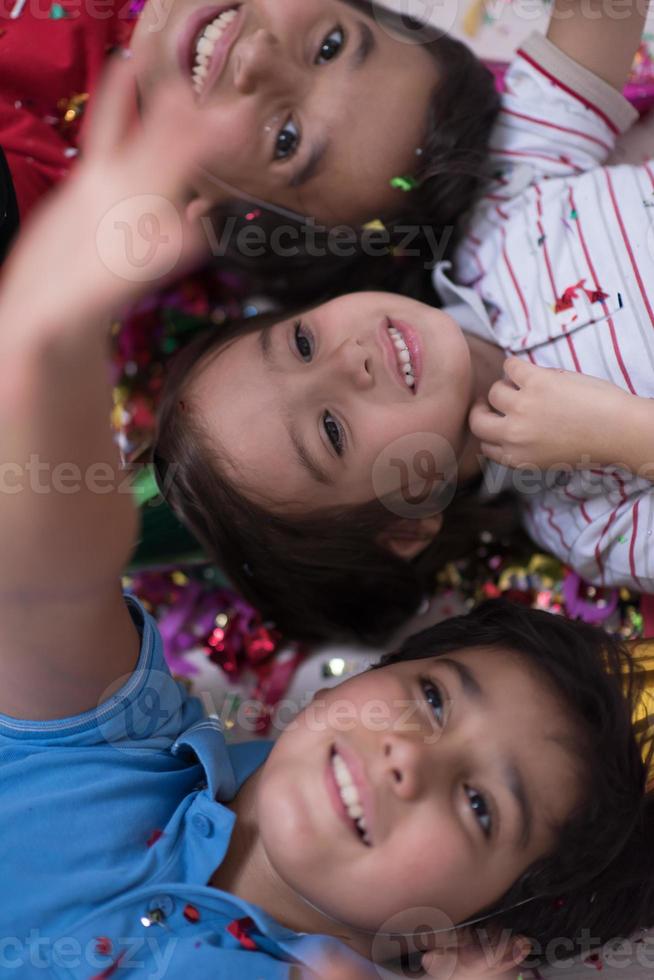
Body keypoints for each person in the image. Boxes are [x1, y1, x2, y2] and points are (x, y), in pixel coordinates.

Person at [1, 53, 653, 980]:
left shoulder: (117, 759)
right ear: (463, 942)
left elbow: (43, 567)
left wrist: (55, 326)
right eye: (477, 804)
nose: (406, 760)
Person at [152, 0, 654, 645]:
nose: (348, 362)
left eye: (302, 342)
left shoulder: (497, 212)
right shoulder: (584, 524)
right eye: (331, 430)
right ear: (406, 522)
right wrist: (620, 435)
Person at [0, 0, 500, 291]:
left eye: (287, 140)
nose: (258, 57)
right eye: (330, 45)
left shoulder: (33, 215)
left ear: (208, 212)